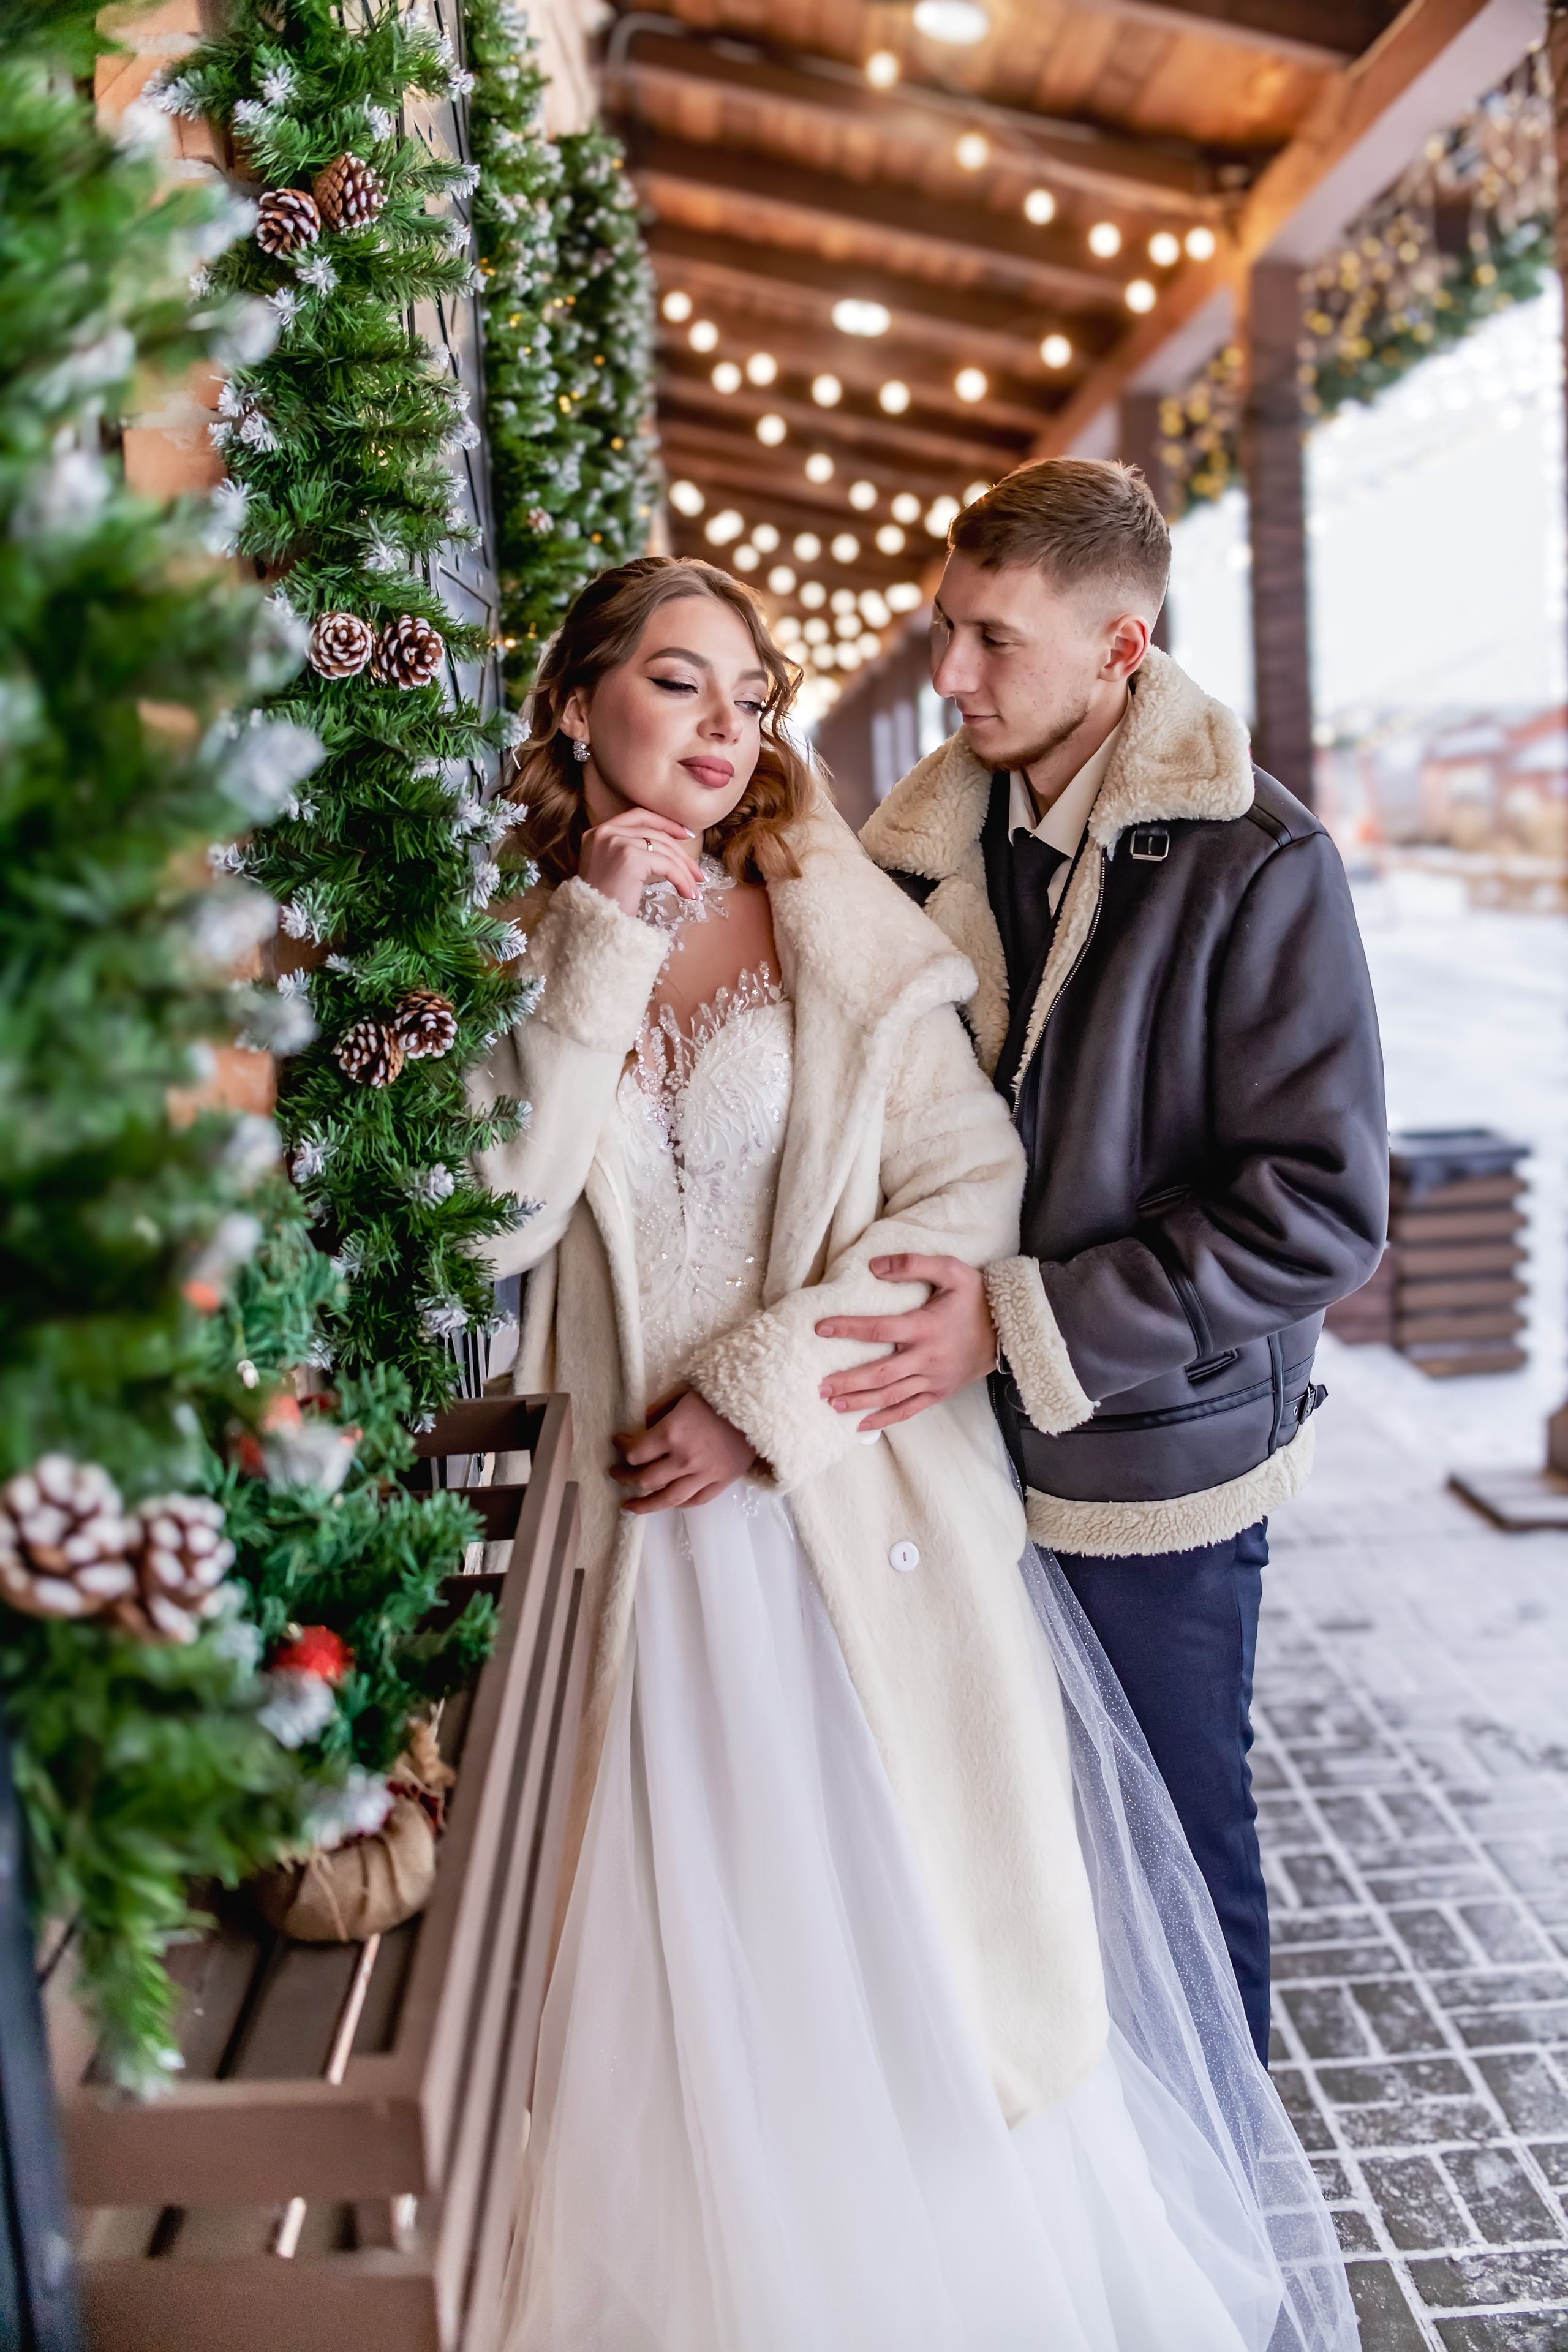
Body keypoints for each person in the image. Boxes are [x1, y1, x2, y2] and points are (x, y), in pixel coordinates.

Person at [471, 552, 1359, 2351]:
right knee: (658, 1984)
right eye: (677, 683)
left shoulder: (842, 913)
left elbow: (972, 1186)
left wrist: (763, 1391)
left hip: (833, 1503)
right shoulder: (498, 940)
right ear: (575, 704)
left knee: (898, 1967)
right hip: (618, 1555)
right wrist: (593, 954)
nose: (727, 727)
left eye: (750, 689)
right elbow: (483, 1221)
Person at [837, 458, 1387, 2065]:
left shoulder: (1262, 867)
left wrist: (1011, 1327)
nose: (952, 676)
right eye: (949, 631)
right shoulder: (908, 860)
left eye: (996, 641)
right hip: (927, 1459)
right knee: (999, 1860)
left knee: (1170, 1859)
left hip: (1148, 1473)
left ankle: (1234, 2278)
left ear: (1121, 650)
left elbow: (1315, 1212)